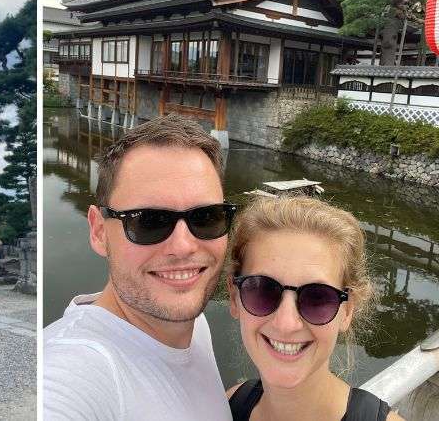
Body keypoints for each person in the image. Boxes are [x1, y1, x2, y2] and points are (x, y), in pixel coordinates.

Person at [44, 114, 237, 420]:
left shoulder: (192, 323)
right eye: (149, 221)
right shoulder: (72, 367)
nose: (184, 246)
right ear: (98, 231)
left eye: (206, 217)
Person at [227, 196, 403, 421]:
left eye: (317, 298)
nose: (286, 324)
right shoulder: (228, 407)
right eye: (263, 290)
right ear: (234, 298)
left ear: (347, 310)